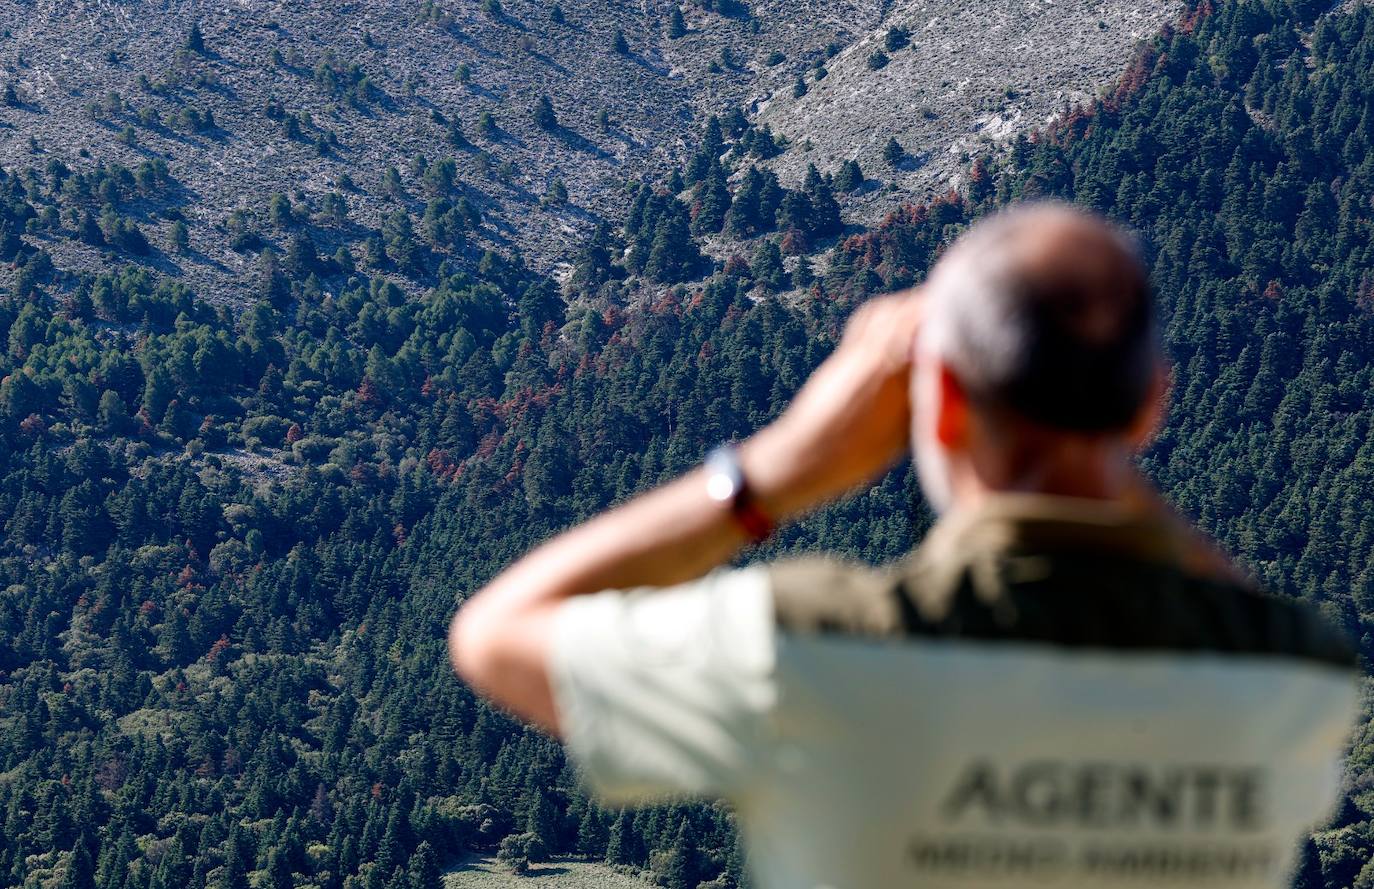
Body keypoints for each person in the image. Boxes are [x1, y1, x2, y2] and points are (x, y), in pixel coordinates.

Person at [448, 202, 1357, 888]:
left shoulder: (815, 649)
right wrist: (1109, 455)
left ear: (947, 401)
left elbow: (495, 634)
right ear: (1151, 404)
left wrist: (781, 464)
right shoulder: (1286, 679)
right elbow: (1239, 608)